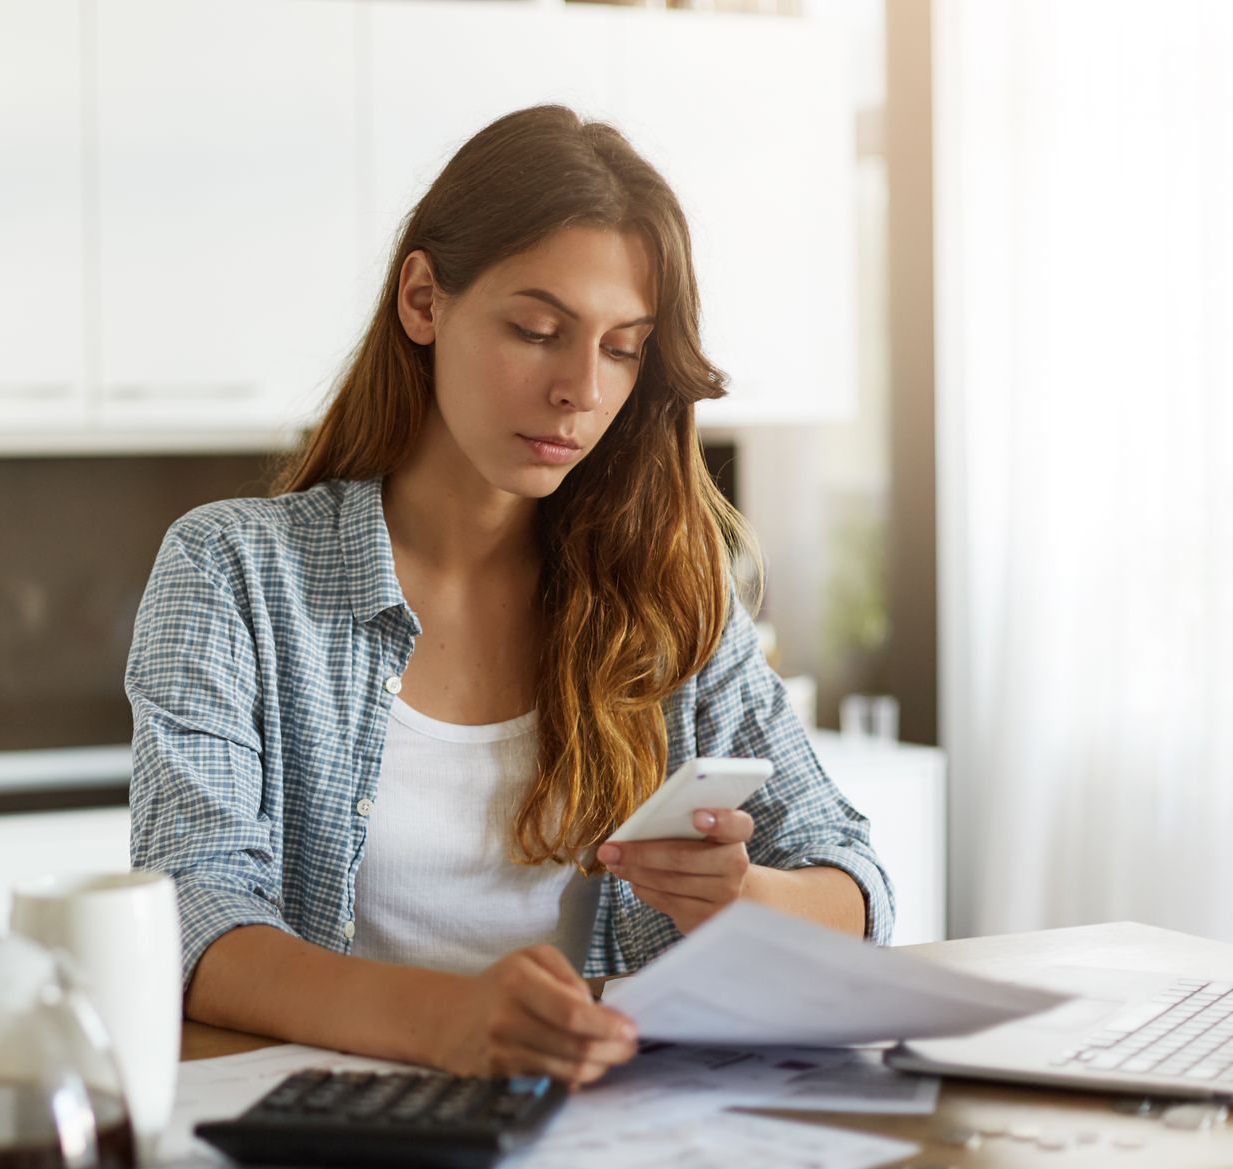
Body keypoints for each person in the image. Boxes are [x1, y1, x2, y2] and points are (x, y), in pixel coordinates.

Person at [126, 105, 893, 1086]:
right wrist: (457, 1020)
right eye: (538, 329)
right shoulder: (235, 572)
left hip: (614, 1134)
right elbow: (198, 919)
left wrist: (744, 896)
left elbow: (857, 885)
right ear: (422, 300)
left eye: (623, 348)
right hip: (343, 1132)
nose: (580, 387)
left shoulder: (665, 591)